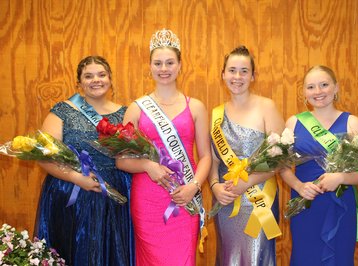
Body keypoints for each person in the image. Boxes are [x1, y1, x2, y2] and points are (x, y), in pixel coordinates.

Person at [116, 29, 211, 266]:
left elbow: (206, 156)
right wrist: (148, 166)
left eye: (170, 62)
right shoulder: (137, 108)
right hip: (148, 198)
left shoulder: (196, 107)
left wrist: (194, 186)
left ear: (180, 66)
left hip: (184, 195)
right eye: (157, 63)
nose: (164, 68)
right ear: (149, 67)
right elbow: (121, 160)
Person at [35, 56, 134, 265]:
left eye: (101, 75)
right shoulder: (63, 111)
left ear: (110, 79)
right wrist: (76, 178)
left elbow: (132, 156)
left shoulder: (125, 113)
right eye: (88, 76)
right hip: (71, 192)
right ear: (79, 83)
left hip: (114, 195)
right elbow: (43, 157)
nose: (95, 80)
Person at [281, 65, 358, 265]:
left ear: (336, 88)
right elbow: (283, 167)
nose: (318, 92)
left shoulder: (352, 123)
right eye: (311, 87)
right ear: (303, 92)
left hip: (341, 205)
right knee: (305, 257)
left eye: (324, 85)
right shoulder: (293, 123)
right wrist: (299, 186)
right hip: (305, 202)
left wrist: (341, 178)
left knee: (340, 258)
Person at [208, 45, 285, 266]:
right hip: (226, 199)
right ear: (223, 74)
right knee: (228, 257)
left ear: (253, 76)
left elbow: (280, 159)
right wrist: (214, 186)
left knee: (256, 257)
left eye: (244, 71)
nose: (237, 76)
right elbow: (214, 160)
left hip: (259, 199)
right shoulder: (216, 114)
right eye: (232, 70)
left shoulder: (266, 107)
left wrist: (246, 183)